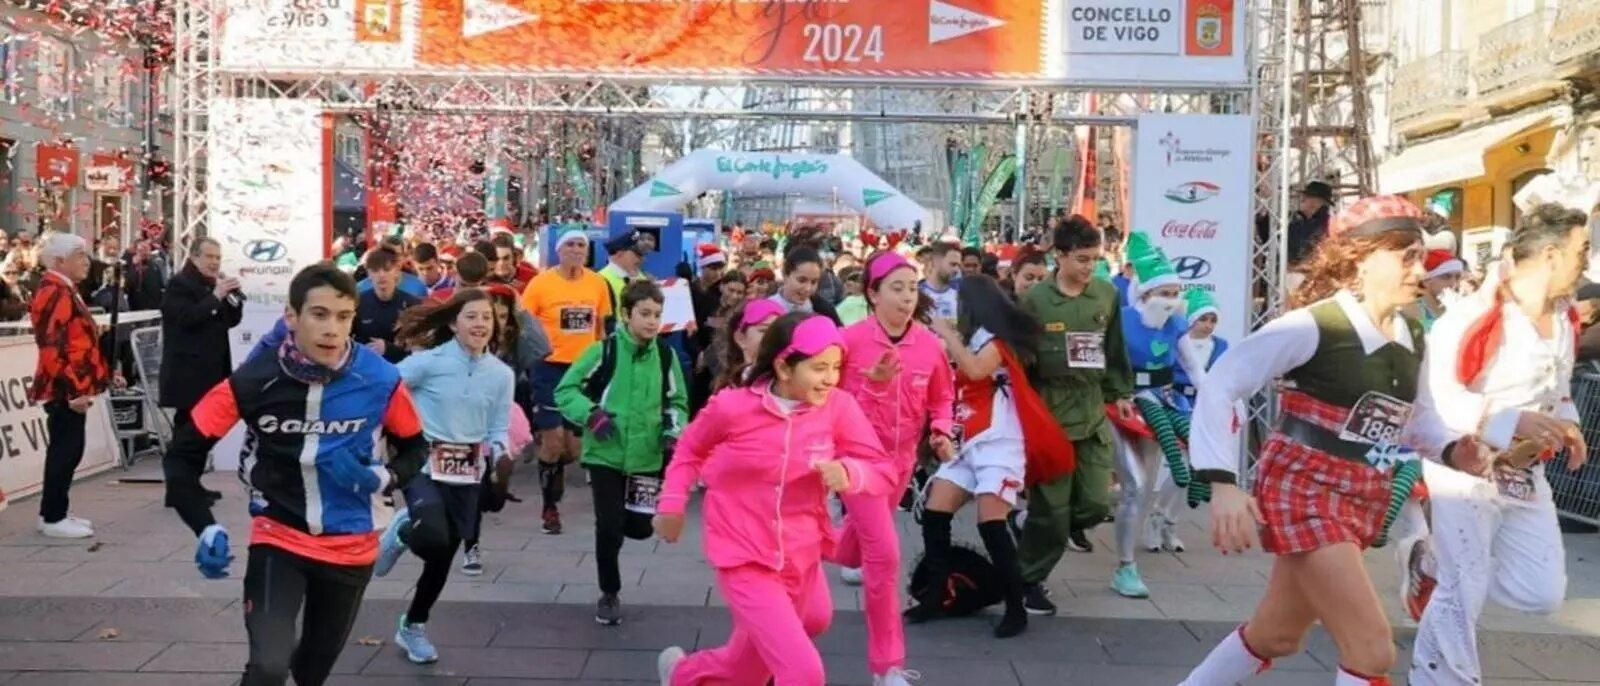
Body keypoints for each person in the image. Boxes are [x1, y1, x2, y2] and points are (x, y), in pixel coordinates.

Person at [1179, 195, 1429, 686]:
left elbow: (1423, 424)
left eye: (1422, 256)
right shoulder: (1316, 324)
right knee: (1371, 648)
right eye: (1408, 256)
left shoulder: (1413, 333)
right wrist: (1222, 482)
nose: (1420, 269)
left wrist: (1469, 447)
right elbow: (1223, 381)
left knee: (1276, 636)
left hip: (1362, 495)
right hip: (1305, 491)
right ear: (1361, 256)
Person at [162, 263, 429, 686]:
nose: (332, 330)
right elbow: (181, 455)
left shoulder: (380, 378)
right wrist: (204, 526)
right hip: (279, 536)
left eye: (343, 317)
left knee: (310, 672)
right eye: (319, 315)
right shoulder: (255, 379)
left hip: (351, 546)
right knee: (269, 666)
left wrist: (383, 479)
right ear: (292, 317)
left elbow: (416, 447)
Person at [654, 313, 895, 686]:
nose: (831, 378)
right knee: (803, 673)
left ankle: (683, 674)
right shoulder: (732, 407)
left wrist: (850, 473)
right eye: (819, 368)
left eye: (835, 367)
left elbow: (881, 468)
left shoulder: (839, 407)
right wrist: (672, 504)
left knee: (753, 665)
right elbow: (688, 450)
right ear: (784, 366)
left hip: (801, 552)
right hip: (743, 552)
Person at [1404, 203, 1590, 685]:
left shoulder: (1565, 317)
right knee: (1464, 585)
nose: (1587, 261)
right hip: (1463, 465)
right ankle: (1445, 677)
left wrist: (1567, 424)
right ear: (1550, 254)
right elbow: (1436, 399)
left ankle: (1428, 558)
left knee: (1541, 593)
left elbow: (1561, 389)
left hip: (1525, 471)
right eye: (1582, 249)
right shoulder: (1472, 316)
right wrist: (1512, 419)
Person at [911, 274, 1072, 638]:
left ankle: (1016, 606)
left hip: (1000, 443)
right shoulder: (973, 338)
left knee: (991, 525)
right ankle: (935, 594)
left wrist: (946, 334)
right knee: (935, 515)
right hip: (967, 440)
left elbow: (975, 369)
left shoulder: (998, 341)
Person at [827, 251, 953, 685]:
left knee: (853, 548)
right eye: (896, 289)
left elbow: (942, 397)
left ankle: (815, 540)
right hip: (858, 462)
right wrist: (874, 384)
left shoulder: (930, 346)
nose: (906, 298)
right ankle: (888, 667)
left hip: (901, 464)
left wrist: (940, 430)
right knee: (884, 556)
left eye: (912, 288)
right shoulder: (849, 343)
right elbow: (833, 405)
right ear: (872, 294)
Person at [373, 289, 515, 664]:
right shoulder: (428, 363)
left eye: (487, 317)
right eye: (471, 316)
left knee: (441, 556)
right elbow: (384, 387)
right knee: (432, 534)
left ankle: (413, 626)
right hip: (423, 464)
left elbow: (499, 427)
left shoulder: (501, 374)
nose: (481, 324)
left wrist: (501, 456)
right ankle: (404, 530)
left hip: (468, 472)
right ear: (454, 323)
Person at [1015, 216, 1136, 614]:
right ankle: (1028, 580)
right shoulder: (1036, 301)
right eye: (1082, 259)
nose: (1089, 267)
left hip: (1091, 412)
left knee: (1096, 505)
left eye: (1095, 259)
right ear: (1060, 256)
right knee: (1052, 509)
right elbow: (1022, 362)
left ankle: (1035, 531)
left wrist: (1119, 393)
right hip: (1050, 413)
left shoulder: (1105, 295)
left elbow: (1115, 348)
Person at [556, 281, 688, 626]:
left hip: (647, 455)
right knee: (609, 527)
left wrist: (673, 431)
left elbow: (678, 402)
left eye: (657, 315)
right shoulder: (604, 352)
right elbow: (566, 390)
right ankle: (609, 592)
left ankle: (630, 524)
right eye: (644, 314)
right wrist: (592, 415)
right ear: (626, 314)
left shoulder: (666, 355)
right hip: (605, 455)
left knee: (642, 529)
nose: (651, 321)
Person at [1107, 232, 1195, 598]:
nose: (1171, 301)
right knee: (1135, 484)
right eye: (1164, 293)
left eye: (1176, 294)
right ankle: (1126, 566)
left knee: (1143, 486)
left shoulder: (1176, 324)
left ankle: (1129, 551)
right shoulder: (1120, 319)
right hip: (1117, 404)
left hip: (1160, 402)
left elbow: (1194, 367)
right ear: (1144, 294)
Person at [521, 228, 612, 534]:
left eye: (581, 245)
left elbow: (601, 325)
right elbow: (524, 323)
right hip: (549, 368)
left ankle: (556, 468)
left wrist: (603, 364)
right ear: (559, 251)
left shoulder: (597, 283)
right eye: (570, 245)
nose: (576, 250)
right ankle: (549, 508)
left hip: (583, 370)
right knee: (553, 439)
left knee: (574, 449)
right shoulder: (540, 283)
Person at [30, 232, 112, 539]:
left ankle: (56, 511)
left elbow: (75, 339)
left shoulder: (65, 289)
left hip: (71, 383)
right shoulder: (54, 291)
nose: (86, 261)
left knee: (69, 449)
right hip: (64, 387)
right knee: (65, 450)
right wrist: (73, 390)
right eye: (79, 255)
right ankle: (53, 516)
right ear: (60, 261)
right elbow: (53, 346)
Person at [354, 248, 421, 364]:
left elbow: (419, 350)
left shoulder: (412, 304)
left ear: (396, 272)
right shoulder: (358, 303)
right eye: (375, 270)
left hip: (401, 368)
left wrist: (388, 349)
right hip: (366, 366)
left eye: (386, 270)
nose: (381, 275)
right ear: (369, 274)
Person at [714, 298, 785, 392]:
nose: (772, 337)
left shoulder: (788, 385)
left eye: (778, 332)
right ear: (740, 338)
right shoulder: (727, 389)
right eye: (763, 331)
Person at [1404, 249, 1466, 332]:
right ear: (1426, 281)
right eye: (1446, 277)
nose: (1454, 283)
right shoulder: (1412, 309)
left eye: (1457, 277)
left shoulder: (1459, 306)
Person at [1287, 181, 1335, 271]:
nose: (1302, 200)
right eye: (1310, 198)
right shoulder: (1293, 220)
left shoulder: (1325, 224)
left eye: (1320, 201)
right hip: (1291, 273)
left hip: (1310, 274)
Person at [919, 242, 962, 321]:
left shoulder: (960, 293)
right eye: (953, 264)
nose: (956, 270)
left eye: (958, 266)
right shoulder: (917, 293)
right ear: (936, 262)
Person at [124, 240, 167, 311]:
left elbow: (161, 285)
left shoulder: (155, 266)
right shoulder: (131, 265)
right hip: (137, 307)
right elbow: (128, 285)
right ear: (136, 251)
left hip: (154, 306)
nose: (144, 253)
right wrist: (134, 267)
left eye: (146, 249)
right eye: (141, 250)